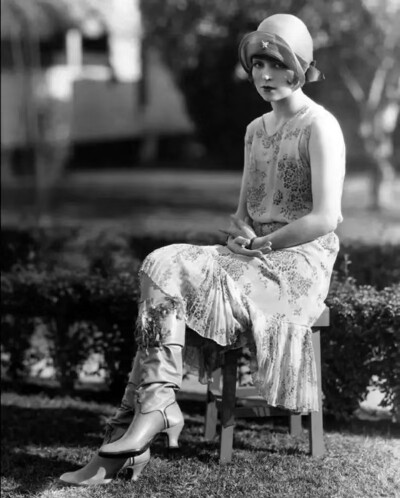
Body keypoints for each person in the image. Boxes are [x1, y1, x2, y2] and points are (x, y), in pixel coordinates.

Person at [59, 13, 345, 486]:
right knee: (162, 263)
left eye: (277, 65)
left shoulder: (321, 126)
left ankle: (133, 431)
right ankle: (154, 408)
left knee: (169, 273)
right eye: (257, 65)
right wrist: (240, 235)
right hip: (253, 254)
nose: (265, 76)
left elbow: (326, 218)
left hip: (298, 264)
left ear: (301, 66)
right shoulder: (255, 130)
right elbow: (243, 212)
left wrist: (264, 242)